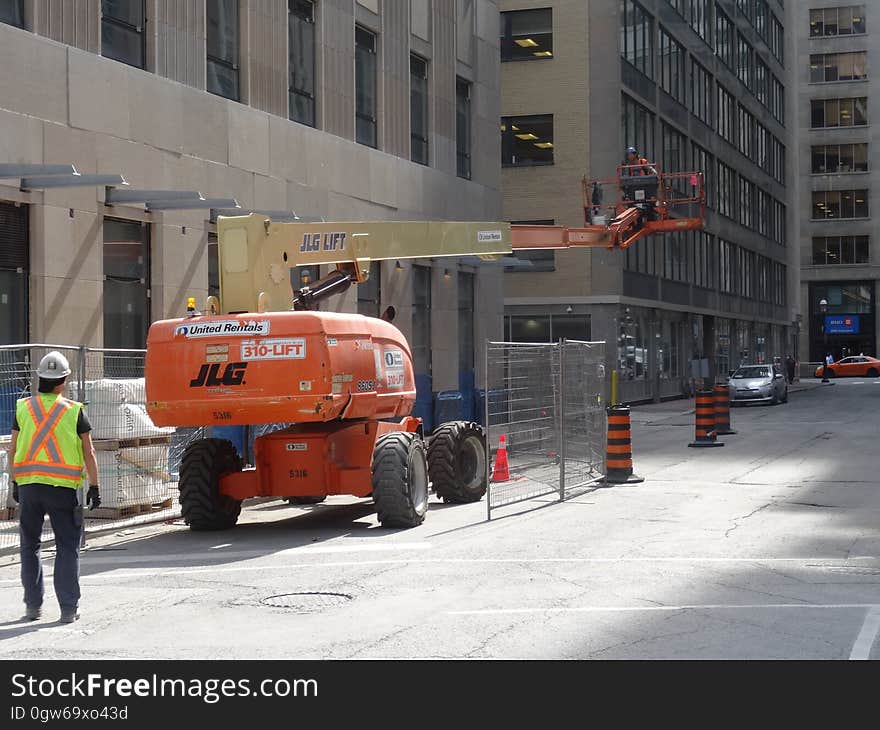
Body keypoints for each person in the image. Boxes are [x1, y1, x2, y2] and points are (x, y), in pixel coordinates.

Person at [8, 351, 100, 624]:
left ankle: (32, 608)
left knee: (29, 546)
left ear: (40, 378)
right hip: (62, 490)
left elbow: (13, 448)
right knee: (67, 546)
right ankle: (68, 609)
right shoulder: (74, 411)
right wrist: (94, 485)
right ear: (64, 380)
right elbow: (89, 452)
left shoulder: (23, 407)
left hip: (29, 487)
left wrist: (14, 480)